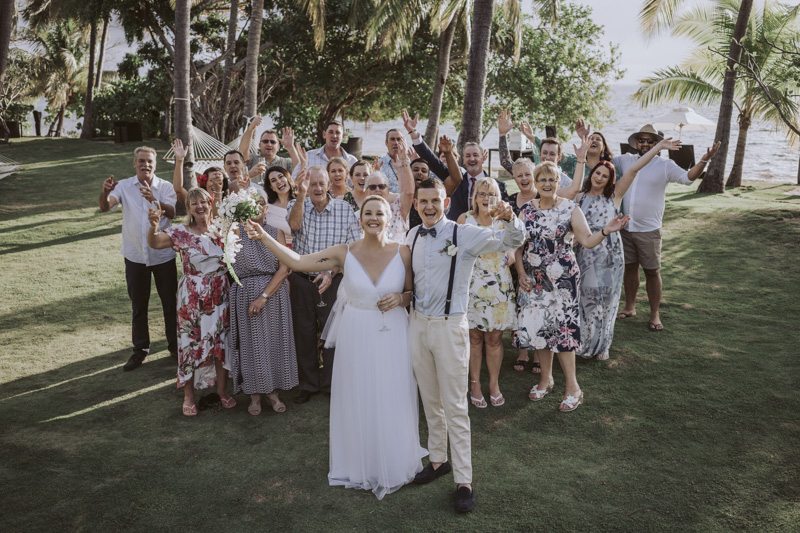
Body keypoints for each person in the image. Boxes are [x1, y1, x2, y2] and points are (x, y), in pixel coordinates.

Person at [246, 195, 425, 499]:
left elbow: (410, 292)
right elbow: (297, 262)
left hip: (392, 331)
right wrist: (263, 236)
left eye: (379, 213)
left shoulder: (403, 252)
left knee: (390, 392)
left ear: (388, 218)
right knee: (360, 393)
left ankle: (392, 458)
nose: (373, 218)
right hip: (356, 332)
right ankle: (360, 462)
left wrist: (401, 299)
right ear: (360, 219)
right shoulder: (344, 253)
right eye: (367, 213)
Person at [407, 178, 524, 513]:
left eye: (435, 201)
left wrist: (508, 216)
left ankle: (464, 480)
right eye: (423, 201)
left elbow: (512, 240)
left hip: (450, 326)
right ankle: (438, 460)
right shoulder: (412, 236)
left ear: (446, 204)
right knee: (430, 400)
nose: (429, 207)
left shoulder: (464, 234)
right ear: (416, 204)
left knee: (455, 405)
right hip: (418, 325)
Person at [514, 162, 630, 413]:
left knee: (563, 333)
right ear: (535, 182)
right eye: (542, 179)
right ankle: (546, 380)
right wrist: (521, 272)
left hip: (563, 281)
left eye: (551, 180)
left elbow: (587, 241)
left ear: (558, 183)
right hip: (534, 281)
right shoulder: (526, 211)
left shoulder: (570, 209)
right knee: (541, 330)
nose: (546, 184)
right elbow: (518, 245)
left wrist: (606, 231)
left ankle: (573, 389)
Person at [574, 137, 682, 359]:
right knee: (584, 299)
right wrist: (581, 159)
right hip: (584, 253)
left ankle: (602, 347)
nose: (600, 178)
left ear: (610, 180)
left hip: (609, 255)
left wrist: (658, 148)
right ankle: (584, 345)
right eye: (597, 173)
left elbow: (633, 169)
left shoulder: (614, 196)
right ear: (591, 174)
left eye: (605, 176)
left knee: (606, 301)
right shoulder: (580, 197)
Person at [612, 125, 720, 331]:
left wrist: (705, 160)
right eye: (641, 140)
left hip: (649, 230)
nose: (645, 144)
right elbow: (603, 160)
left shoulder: (665, 165)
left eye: (649, 141)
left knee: (652, 272)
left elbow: (688, 178)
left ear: (657, 144)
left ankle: (654, 314)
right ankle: (630, 307)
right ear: (636, 143)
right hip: (624, 228)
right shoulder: (623, 160)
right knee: (629, 268)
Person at [146, 188, 234, 416]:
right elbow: (155, 243)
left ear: (210, 202)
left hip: (220, 294)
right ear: (189, 208)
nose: (200, 206)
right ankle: (188, 396)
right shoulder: (180, 232)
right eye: (194, 203)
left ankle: (223, 391)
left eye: (203, 201)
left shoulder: (222, 230)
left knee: (220, 343)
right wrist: (153, 225)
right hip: (192, 296)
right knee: (189, 344)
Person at [99, 146, 178, 371]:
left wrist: (155, 200)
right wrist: (104, 192)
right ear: (134, 163)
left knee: (169, 303)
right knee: (138, 306)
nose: (146, 164)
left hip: (163, 255)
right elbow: (106, 206)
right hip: (135, 256)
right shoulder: (124, 186)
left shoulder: (164, 187)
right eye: (141, 160)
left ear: (155, 164)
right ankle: (140, 350)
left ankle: (174, 347)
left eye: (150, 161)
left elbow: (172, 213)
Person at [287, 165, 361, 404]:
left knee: (333, 333)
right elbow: (294, 226)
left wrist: (331, 271)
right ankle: (308, 384)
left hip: (333, 280)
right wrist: (300, 195)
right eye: (312, 184)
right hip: (302, 280)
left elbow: (352, 248)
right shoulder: (296, 206)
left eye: (321, 183)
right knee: (304, 333)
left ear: (329, 185)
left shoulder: (344, 210)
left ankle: (331, 384)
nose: (317, 188)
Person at [229, 193, 297, 415]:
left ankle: (273, 392)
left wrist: (263, 296)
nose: (256, 208)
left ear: (266, 209)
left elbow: (284, 268)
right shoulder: (235, 232)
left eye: (260, 204)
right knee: (250, 344)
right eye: (251, 205)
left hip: (273, 294)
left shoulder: (274, 232)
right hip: (244, 292)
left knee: (275, 342)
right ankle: (254, 394)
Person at [456, 178, 517, 408]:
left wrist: (511, 253)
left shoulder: (505, 221)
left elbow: (514, 244)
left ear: (498, 198)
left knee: (493, 339)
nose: (486, 198)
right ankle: (475, 384)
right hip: (471, 287)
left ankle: (493, 384)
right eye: (482, 193)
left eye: (491, 194)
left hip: (498, 288)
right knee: (473, 338)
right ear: (475, 197)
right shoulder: (465, 219)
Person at [403, 108, 508, 221]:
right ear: (463, 160)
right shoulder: (456, 178)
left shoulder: (499, 186)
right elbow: (432, 160)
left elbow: (506, 215)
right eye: (467, 156)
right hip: (456, 233)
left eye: (475, 155)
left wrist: (503, 135)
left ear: (483, 157)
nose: (471, 159)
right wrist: (413, 133)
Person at [362, 135, 414, 242]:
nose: (377, 189)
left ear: (388, 190)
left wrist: (404, 161)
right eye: (372, 187)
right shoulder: (359, 214)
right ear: (366, 191)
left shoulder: (398, 209)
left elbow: (408, 193)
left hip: (394, 256)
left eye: (381, 186)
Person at [291, 121, 357, 179]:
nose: (334, 136)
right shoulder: (308, 156)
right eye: (330, 132)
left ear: (343, 136)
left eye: (337, 133)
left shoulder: (352, 161)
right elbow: (293, 181)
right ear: (324, 134)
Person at [238, 117, 293, 186]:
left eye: (272, 142)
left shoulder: (287, 162)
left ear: (278, 147)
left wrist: (291, 147)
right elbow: (242, 153)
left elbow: (299, 170)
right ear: (260, 145)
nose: (269, 144)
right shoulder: (252, 159)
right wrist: (251, 128)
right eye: (265, 141)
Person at [262, 165, 297, 248]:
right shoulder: (267, 206)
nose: (278, 181)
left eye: (281, 177)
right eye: (273, 180)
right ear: (271, 187)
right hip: (272, 250)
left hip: (297, 250)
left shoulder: (300, 203)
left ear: (288, 179)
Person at [375, 128, 406, 192]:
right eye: (392, 139)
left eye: (398, 139)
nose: (396, 142)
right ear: (386, 143)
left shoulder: (410, 162)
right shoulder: (379, 164)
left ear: (403, 142)